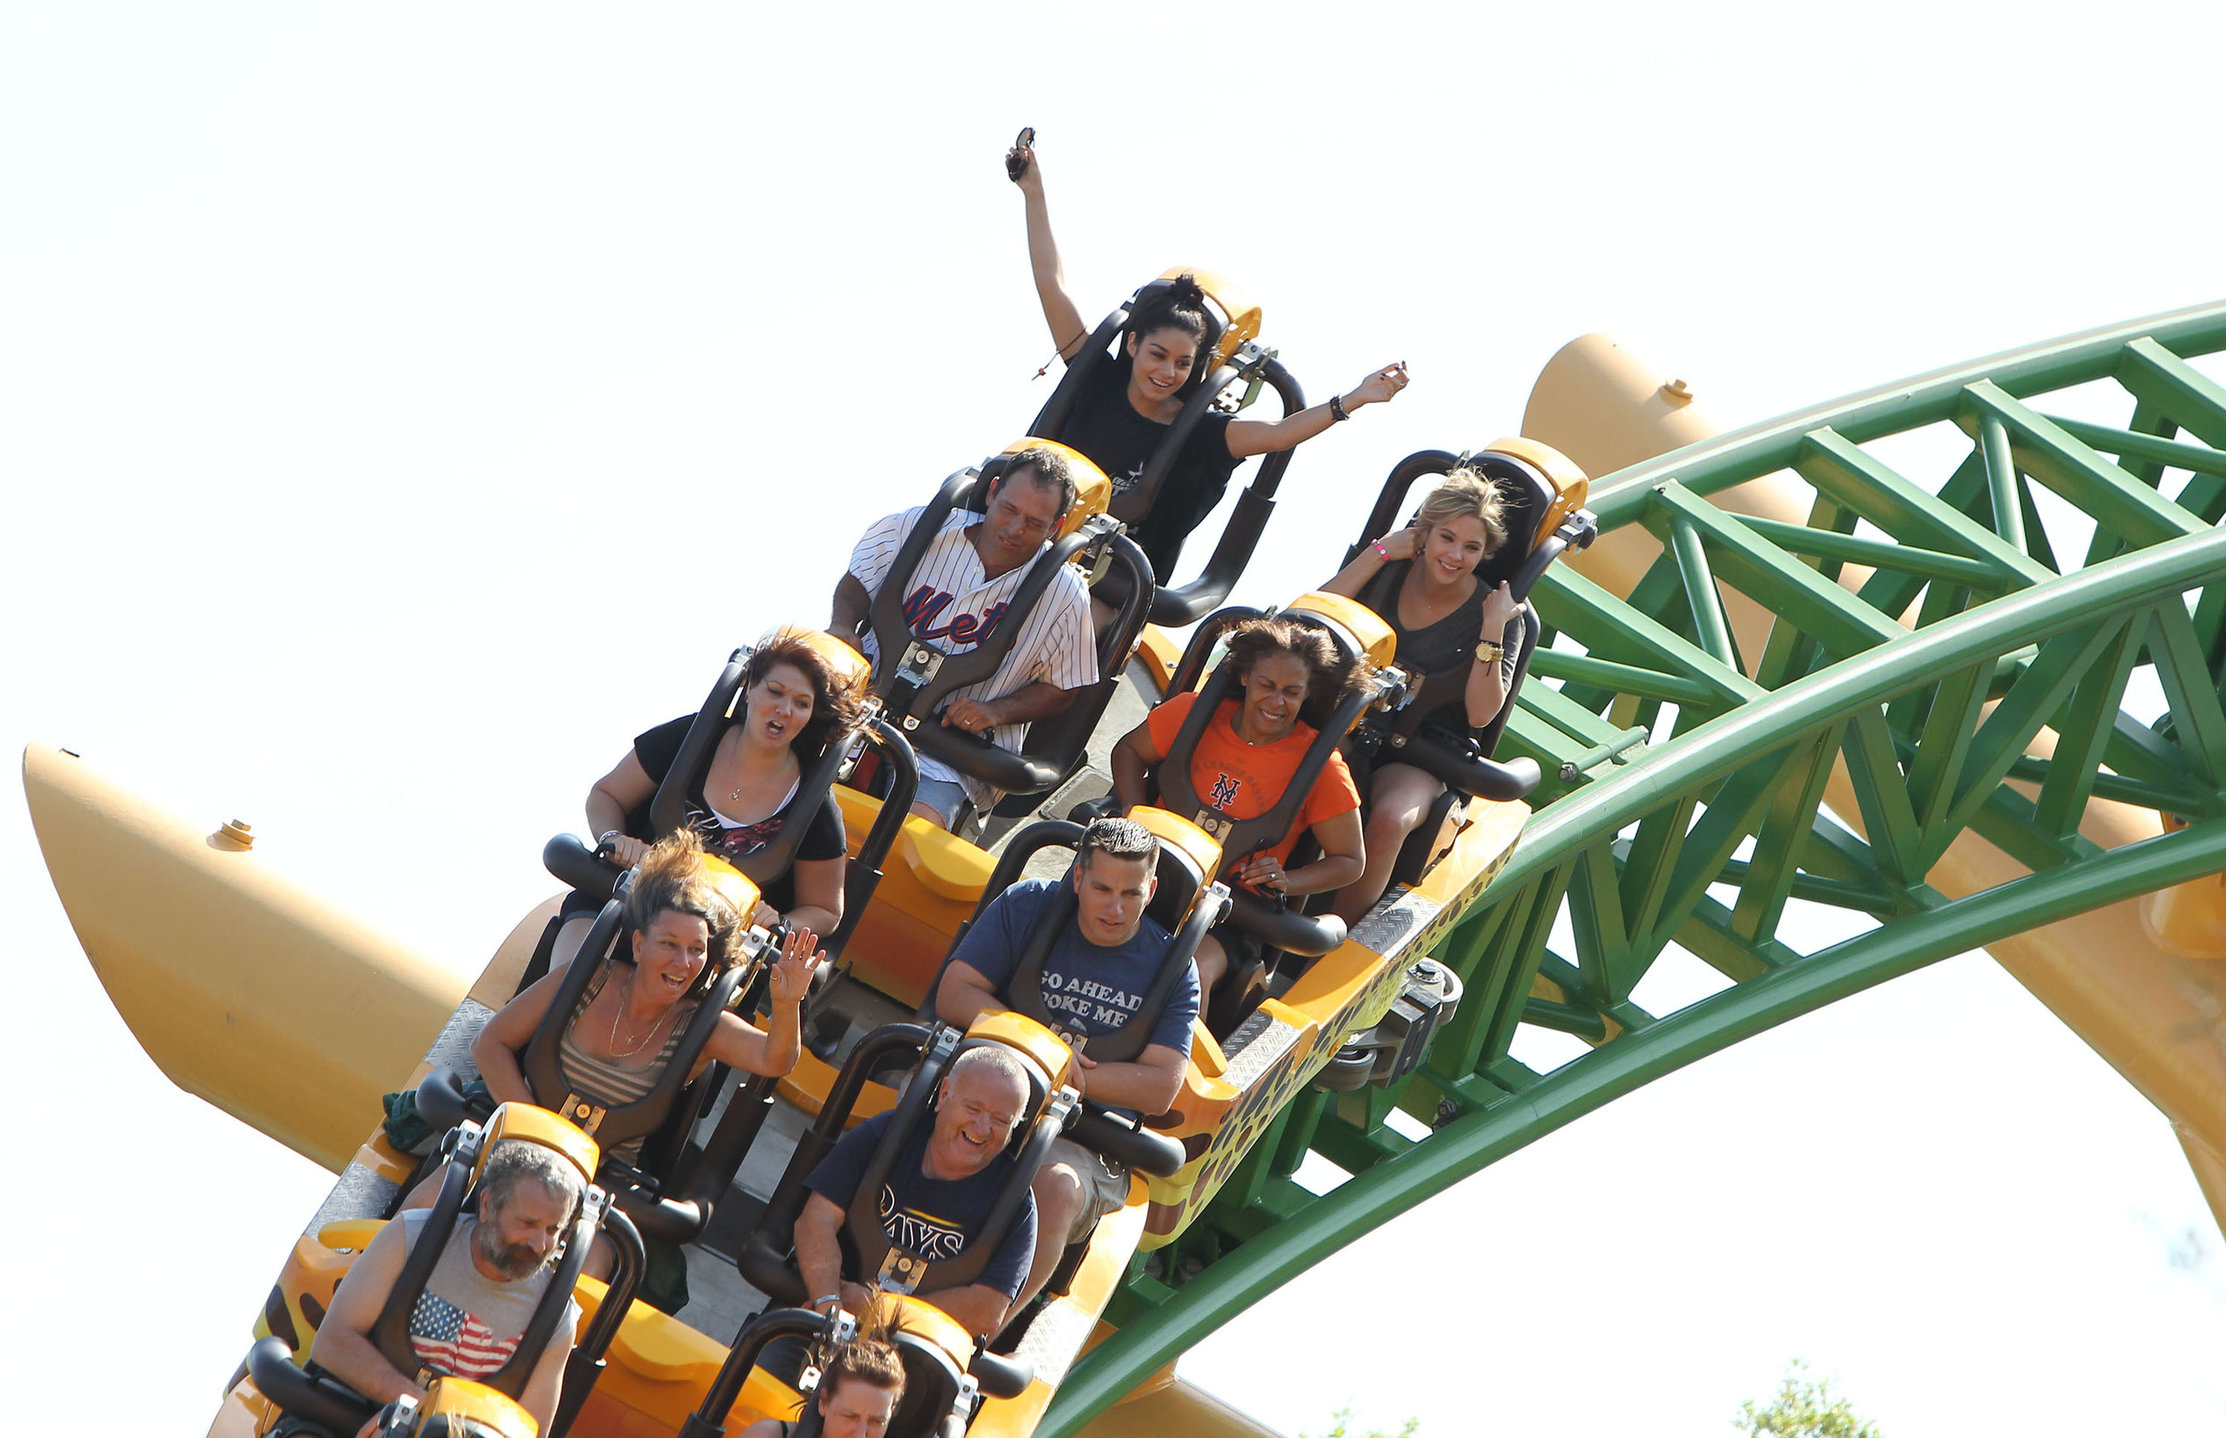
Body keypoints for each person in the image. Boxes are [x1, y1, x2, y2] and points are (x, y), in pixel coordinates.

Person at [1008, 133, 1411, 589]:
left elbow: (1280, 434)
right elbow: (1051, 284)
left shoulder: (1202, 431)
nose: (1168, 373)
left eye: (1183, 363)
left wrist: (1355, 398)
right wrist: (1034, 193)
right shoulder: (1097, 378)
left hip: (1105, 582)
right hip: (1023, 542)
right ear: (1133, 344)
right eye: (1158, 355)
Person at [934, 816, 1197, 1316]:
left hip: (1083, 1135)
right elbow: (955, 993)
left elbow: (1160, 1085)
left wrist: (1068, 1074)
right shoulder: (1027, 905)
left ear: (1151, 890)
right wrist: (1042, 1049)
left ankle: (978, 1330)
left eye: (1131, 894)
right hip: (992, 1087)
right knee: (945, 1128)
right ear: (1078, 877)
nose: (1115, 909)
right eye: (1102, 889)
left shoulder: (1173, 968)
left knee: (1055, 1186)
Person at [471, 830, 818, 1175]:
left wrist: (788, 1003)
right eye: (669, 944)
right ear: (639, 945)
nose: (683, 962)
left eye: (696, 950)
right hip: (512, 1147)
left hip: (599, 1182)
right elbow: (489, 1043)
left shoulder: (700, 1026)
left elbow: (776, 1059)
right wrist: (534, 1139)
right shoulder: (588, 979)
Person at [563, 627, 867, 973]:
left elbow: (825, 910)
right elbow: (606, 795)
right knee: (576, 972)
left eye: (801, 703)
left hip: (711, 953)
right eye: (775, 692)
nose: (784, 709)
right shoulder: (691, 737)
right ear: (750, 688)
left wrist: (779, 922)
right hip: (625, 903)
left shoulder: (813, 802)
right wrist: (615, 838)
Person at [830, 447, 1097, 829]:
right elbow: (859, 581)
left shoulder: (1066, 595)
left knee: (912, 829)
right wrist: (843, 625)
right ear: (992, 492)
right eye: (1009, 509)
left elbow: (1062, 686)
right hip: (860, 705)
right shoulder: (921, 528)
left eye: (1034, 523)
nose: (1014, 529)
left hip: (950, 754)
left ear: (1056, 526)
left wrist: (997, 711)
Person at [1109, 617, 1365, 1000]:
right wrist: (1134, 815)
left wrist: (1287, 880)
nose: (1276, 702)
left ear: (1308, 693)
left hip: (1230, 914)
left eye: (1291, 692)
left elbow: (1349, 860)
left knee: (1187, 974)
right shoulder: (1192, 714)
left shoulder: (1321, 767)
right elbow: (1129, 750)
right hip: (1143, 875)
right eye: (1266, 685)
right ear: (1244, 676)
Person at [1320, 468, 1522, 923]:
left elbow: (1482, 713)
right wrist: (1378, 554)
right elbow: (1312, 619)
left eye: (1471, 547)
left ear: (1486, 552)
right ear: (1424, 533)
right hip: (1349, 724)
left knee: (1393, 817)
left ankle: (1330, 942)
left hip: (1421, 751)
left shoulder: (1500, 615)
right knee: (1301, 763)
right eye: (1446, 538)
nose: (1455, 556)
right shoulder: (1387, 572)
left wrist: (1492, 629)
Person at [312, 1139, 586, 1438]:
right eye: (527, 1223)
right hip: (356, 1407)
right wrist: (418, 1410)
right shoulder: (409, 1237)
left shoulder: (556, 1314)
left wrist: (434, 1424)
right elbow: (333, 1342)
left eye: (552, 1230)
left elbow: (530, 1429)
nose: (539, 1244)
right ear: (487, 1205)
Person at [794, 1046, 1039, 1338]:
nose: (982, 1128)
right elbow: (816, 1220)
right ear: (944, 1095)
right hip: (831, 1304)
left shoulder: (1016, 1203)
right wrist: (828, 1307)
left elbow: (987, 1310)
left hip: (917, 1343)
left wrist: (877, 1310)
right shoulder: (885, 1137)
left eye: (1001, 1120)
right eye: (973, 1109)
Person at [739, 1336, 907, 1438]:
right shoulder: (768, 1435)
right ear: (823, 1402)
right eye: (850, 1416)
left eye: (876, 1422)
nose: (860, 1435)